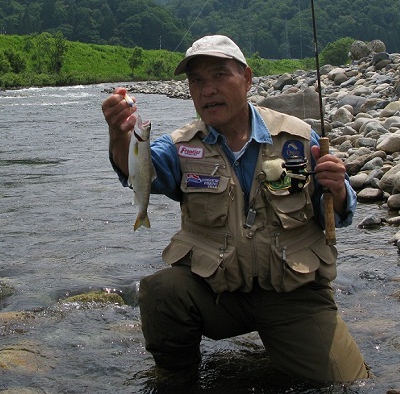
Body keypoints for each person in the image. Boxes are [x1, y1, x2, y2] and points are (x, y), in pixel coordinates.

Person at [101, 34, 369, 383]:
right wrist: (119, 134)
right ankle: (175, 375)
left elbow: (338, 213)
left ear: (247, 79)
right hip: (218, 292)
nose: (207, 89)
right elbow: (137, 172)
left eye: (219, 75)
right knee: (161, 291)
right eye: (196, 80)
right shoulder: (181, 147)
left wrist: (338, 189)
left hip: (293, 294)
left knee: (345, 383)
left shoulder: (298, 138)